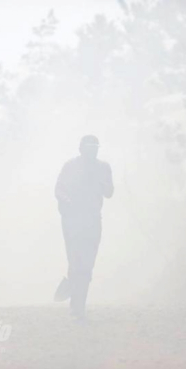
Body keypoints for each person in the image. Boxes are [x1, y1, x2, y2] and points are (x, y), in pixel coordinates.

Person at [54, 135, 114, 319]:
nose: (92, 151)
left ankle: (78, 303)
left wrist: (101, 183)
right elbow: (58, 189)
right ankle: (76, 302)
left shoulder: (103, 168)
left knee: (87, 264)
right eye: (89, 147)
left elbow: (110, 192)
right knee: (75, 261)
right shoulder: (70, 166)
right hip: (72, 220)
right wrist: (66, 200)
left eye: (95, 148)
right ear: (81, 149)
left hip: (93, 220)